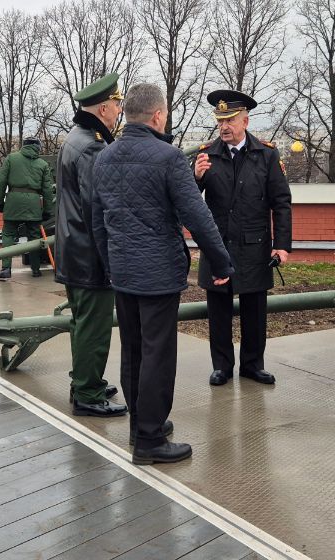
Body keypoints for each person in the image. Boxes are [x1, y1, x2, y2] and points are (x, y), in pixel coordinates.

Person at [92, 83, 234, 465]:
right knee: (157, 353)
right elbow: (197, 216)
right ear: (158, 116)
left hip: (123, 271)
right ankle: (150, 441)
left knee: (133, 349)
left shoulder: (104, 158)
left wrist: (110, 265)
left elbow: (97, 222)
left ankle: (141, 425)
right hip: (157, 274)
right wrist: (221, 262)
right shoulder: (168, 158)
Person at [193, 90, 292, 387]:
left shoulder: (267, 155)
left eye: (230, 120)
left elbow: (281, 203)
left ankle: (252, 365)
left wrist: (282, 245)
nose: (224, 127)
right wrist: (195, 179)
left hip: (254, 246)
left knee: (255, 310)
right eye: (220, 121)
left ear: (245, 121)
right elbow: (188, 202)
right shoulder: (206, 155)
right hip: (219, 246)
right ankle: (222, 366)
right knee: (218, 311)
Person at [54, 73, 127, 417]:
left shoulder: (78, 138)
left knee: (83, 321)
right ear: (103, 108)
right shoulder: (93, 147)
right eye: (116, 104)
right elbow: (99, 207)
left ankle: (85, 379)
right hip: (90, 253)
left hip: (75, 248)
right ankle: (87, 394)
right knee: (94, 327)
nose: (119, 110)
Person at [0, 137, 55, 280]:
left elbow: (1, 182)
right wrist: (47, 210)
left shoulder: (11, 159)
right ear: (38, 147)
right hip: (33, 204)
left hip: (13, 202)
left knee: (8, 234)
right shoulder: (42, 164)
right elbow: (47, 190)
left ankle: (6, 269)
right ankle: (36, 269)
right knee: (34, 237)